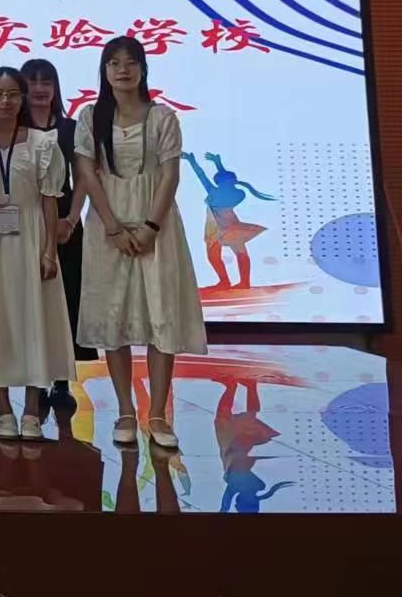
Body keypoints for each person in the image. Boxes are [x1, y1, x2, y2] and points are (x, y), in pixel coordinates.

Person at [73, 36, 206, 452]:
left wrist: (150, 226)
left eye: (131, 62)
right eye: (114, 63)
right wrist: (113, 227)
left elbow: (170, 175)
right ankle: (125, 411)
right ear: (104, 70)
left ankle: (159, 414)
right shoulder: (90, 116)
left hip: (157, 226)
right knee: (113, 317)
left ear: (143, 69)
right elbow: (87, 174)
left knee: (160, 315)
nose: (123, 70)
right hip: (107, 227)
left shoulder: (162, 117)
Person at [0, 67, 75, 440]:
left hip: (32, 235)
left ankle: (32, 409)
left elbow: (50, 201)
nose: (5, 101)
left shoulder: (43, 142)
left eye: (12, 94)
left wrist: (49, 250)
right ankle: (4, 408)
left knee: (36, 319)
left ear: (22, 98)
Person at [23, 57, 93, 406]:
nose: (39, 89)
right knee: (28, 300)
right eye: (33, 82)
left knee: (65, 301)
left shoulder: (70, 128)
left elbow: (83, 177)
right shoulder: (13, 128)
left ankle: (61, 381)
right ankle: (32, 378)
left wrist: (72, 219)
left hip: (64, 225)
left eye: (46, 81)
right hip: (22, 224)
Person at [185, 152, 275, 289]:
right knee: (240, 251)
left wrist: (192, 161)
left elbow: (201, 175)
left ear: (219, 183)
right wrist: (218, 164)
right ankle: (244, 282)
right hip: (233, 224)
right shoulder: (240, 193)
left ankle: (225, 281)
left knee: (214, 256)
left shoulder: (214, 192)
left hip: (216, 225)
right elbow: (226, 180)